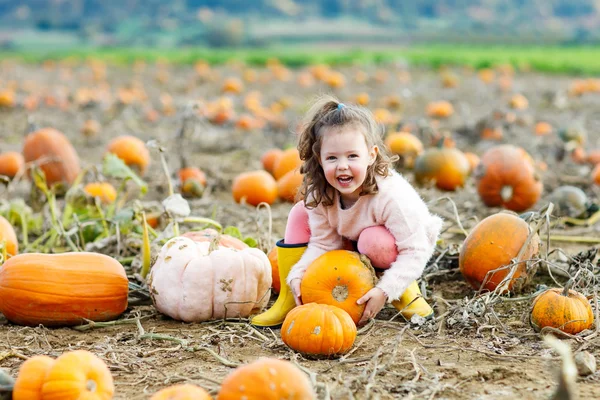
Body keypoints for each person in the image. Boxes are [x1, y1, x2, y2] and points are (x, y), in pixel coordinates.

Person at [251, 95, 442, 327]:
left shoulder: (390, 196)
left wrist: (384, 291)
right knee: (300, 212)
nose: (342, 165)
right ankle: (291, 297)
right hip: (354, 239)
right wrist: (299, 273)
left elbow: (415, 250)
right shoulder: (321, 193)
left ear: (371, 155)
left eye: (352, 156)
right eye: (332, 157)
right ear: (319, 160)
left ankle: (404, 292)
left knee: (373, 241)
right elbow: (323, 244)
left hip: (405, 246)